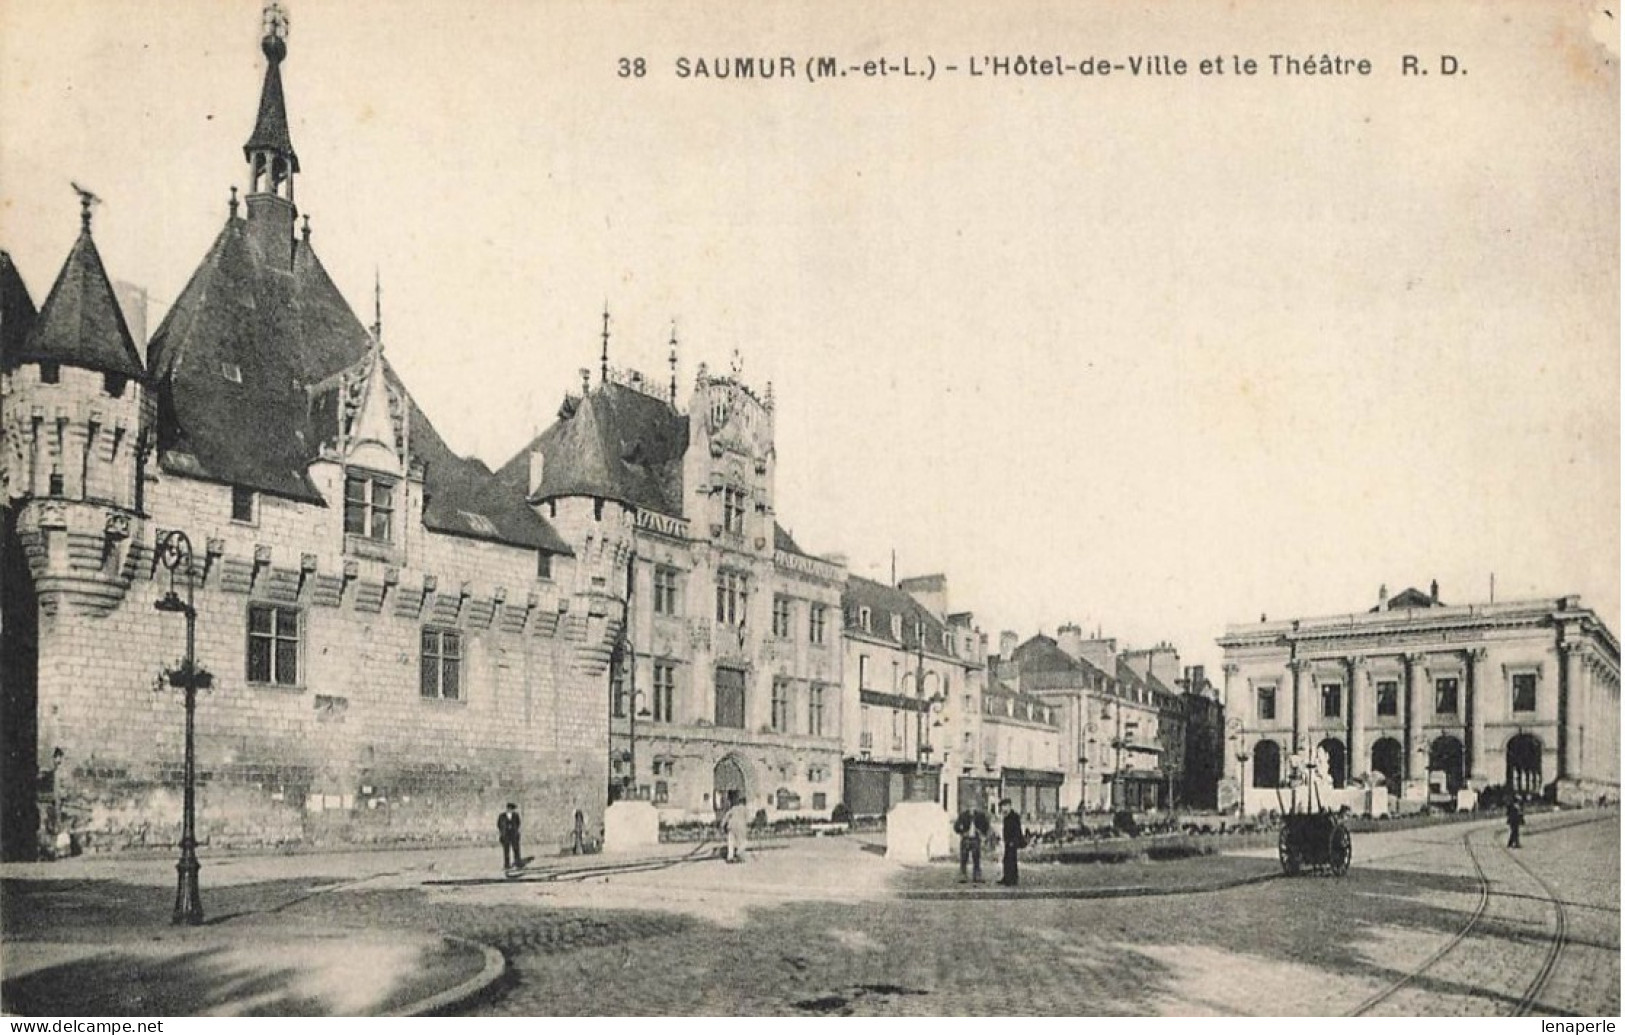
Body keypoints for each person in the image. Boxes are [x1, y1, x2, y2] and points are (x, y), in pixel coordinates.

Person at [954, 801, 991, 883]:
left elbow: (986, 825)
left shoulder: (980, 816)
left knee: (976, 858)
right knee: (964, 858)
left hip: (976, 839)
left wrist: (981, 832)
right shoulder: (963, 816)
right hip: (966, 839)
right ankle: (963, 875)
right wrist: (962, 832)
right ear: (967, 807)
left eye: (973, 806)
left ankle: (977, 875)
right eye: (970, 806)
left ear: (976, 807)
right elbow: (956, 826)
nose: (972, 808)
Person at [998, 798, 1025, 886]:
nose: (1003, 809)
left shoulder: (1014, 816)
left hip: (1013, 841)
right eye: (1002, 807)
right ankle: (1006, 877)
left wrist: (1014, 841)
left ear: (1009, 806)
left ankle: (1012, 879)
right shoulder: (1006, 817)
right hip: (1008, 841)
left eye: (1004, 807)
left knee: (1011, 860)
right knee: (1006, 859)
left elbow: (1017, 830)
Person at [723, 792, 750, 863]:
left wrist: (722, 825)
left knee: (731, 842)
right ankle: (739, 852)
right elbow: (748, 819)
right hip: (740, 827)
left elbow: (726, 818)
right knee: (743, 842)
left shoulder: (732, 808)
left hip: (731, 826)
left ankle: (730, 857)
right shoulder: (744, 809)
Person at [498, 802, 523, 870]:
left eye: (512, 809)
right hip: (505, 836)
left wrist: (514, 829)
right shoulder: (501, 816)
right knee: (506, 851)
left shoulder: (516, 815)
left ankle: (517, 863)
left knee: (516, 849)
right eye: (510, 808)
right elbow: (499, 825)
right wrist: (503, 832)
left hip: (514, 835)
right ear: (507, 808)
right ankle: (507, 865)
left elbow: (518, 824)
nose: (511, 810)